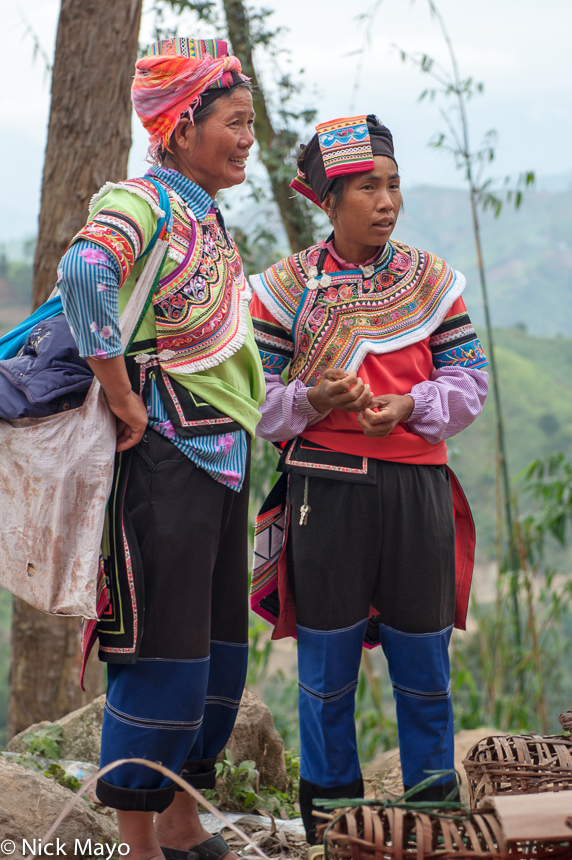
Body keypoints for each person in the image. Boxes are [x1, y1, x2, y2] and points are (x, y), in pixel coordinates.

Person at [249, 114, 489, 843]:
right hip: (326, 489)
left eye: (393, 185)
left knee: (423, 662)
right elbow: (257, 400)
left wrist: (411, 405)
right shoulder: (284, 290)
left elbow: (470, 381)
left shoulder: (431, 282)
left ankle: (432, 825)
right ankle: (334, 831)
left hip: (418, 490)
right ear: (327, 200)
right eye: (366, 189)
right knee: (327, 670)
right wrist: (315, 398)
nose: (386, 203)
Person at [57, 38, 265, 860]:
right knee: (159, 650)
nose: (247, 139)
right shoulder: (143, 201)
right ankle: (139, 841)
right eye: (235, 122)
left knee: (212, 650)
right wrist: (119, 392)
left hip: (215, 460)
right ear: (181, 130)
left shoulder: (200, 211)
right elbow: (84, 273)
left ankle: (181, 821)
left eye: (251, 123)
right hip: (165, 456)